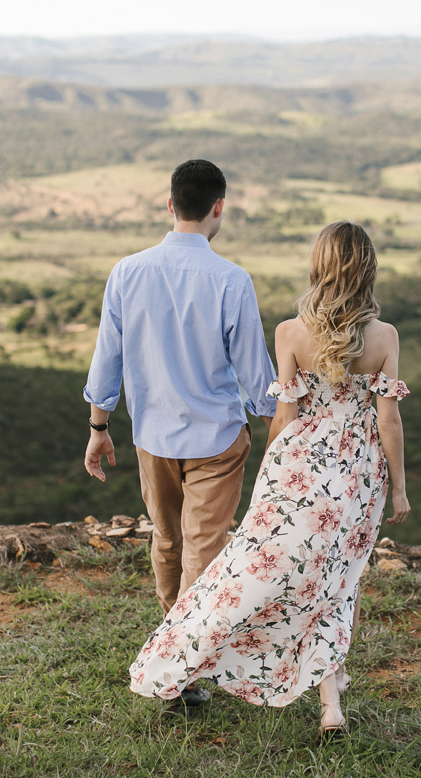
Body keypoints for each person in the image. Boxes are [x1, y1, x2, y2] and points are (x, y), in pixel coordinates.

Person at [129, 220, 411, 737]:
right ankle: (330, 703)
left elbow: (284, 416)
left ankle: (185, 656)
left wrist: (270, 478)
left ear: (318, 267)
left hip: (298, 469)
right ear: (368, 269)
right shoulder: (384, 337)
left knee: (248, 572)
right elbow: (388, 421)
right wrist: (399, 488)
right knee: (337, 580)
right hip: (357, 473)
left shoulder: (290, 332)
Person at [83, 159, 278, 708]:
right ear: (219, 208)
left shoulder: (127, 272)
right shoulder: (232, 280)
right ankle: (182, 665)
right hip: (217, 441)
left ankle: (175, 655)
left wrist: (99, 427)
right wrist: (281, 433)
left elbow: (107, 358)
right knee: (204, 551)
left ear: (170, 205)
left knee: (167, 541)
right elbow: (256, 375)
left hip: (152, 438)